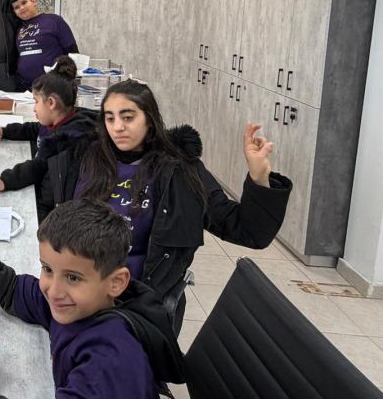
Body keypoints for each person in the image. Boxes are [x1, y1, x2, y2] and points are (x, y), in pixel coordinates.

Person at [44, 79, 292, 324]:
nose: (118, 127)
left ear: (149, 120)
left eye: (128, 117)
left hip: (139, 306)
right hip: (73, 295)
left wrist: (259, 177)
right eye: (110, 118)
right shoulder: (84, 158)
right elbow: (45, 208)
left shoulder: (181, 171)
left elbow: (248, 231)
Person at [0, 199, 184, 399]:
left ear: (115, 283)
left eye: (73, 277)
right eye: (47, 269)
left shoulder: (109, 364)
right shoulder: (77, 305)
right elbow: (16, 292)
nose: (53, 291)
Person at [0, 56, 95, 221]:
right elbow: (34, 129)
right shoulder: (60, 119)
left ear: (51, 103)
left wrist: (4, 181)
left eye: (36, 101)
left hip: (54, 213)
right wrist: (5, 132)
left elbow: (37, 167)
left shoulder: (66, 139)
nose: (34, 108)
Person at [11, 0, 78, 91]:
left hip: (52, 86)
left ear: (33, 2)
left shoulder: (54, 20)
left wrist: (68, 80)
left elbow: (72, 51)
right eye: (17, 7)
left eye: (24, 2)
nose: (21, 8)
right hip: (24, 87)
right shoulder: (18, 28)